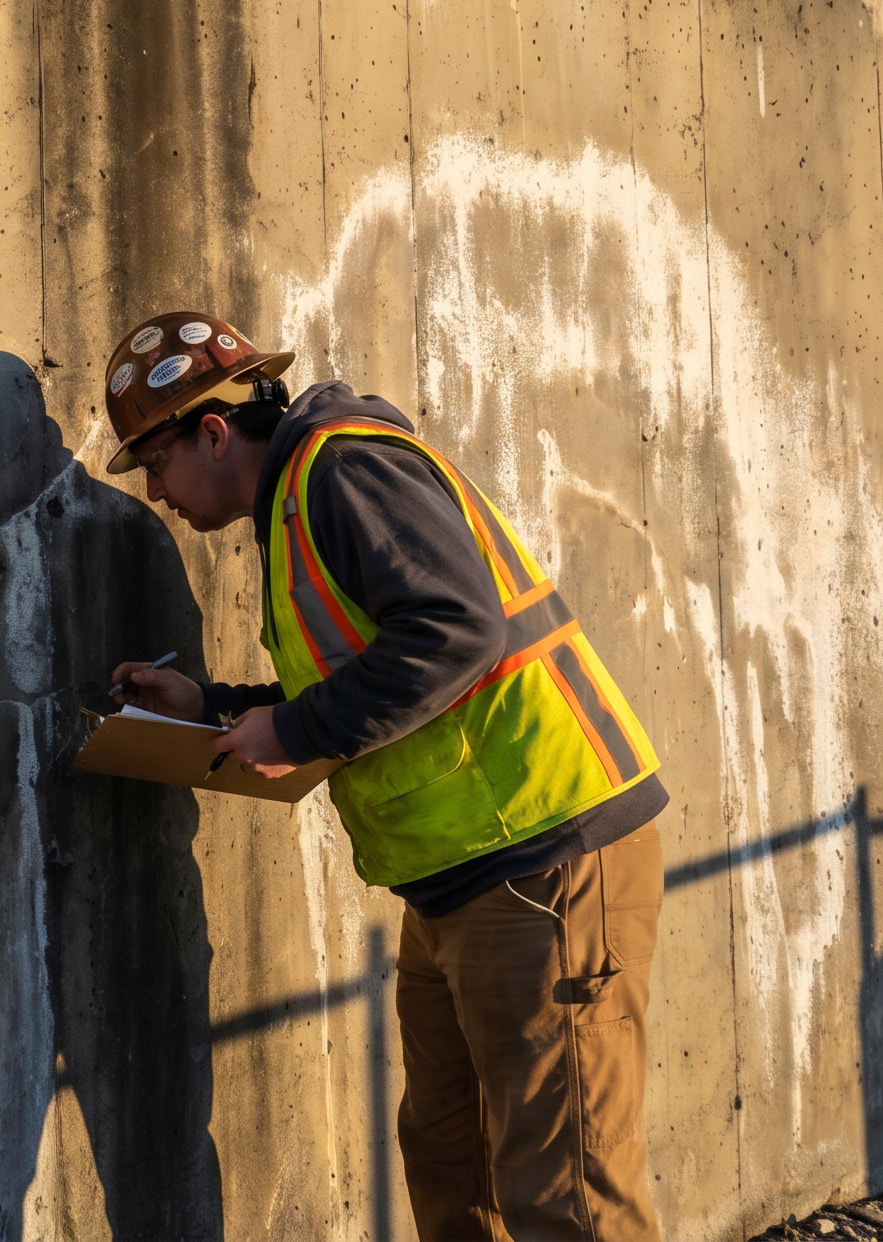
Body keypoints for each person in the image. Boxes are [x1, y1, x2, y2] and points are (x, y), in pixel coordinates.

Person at [101, 310, 668, 1242]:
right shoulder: (293, 507)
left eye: (154, 462)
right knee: (454, 1164)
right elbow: (356, 676)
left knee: (569, 1195)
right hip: (461, 878)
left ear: (211, 431)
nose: (155, 491)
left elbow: (454, 632)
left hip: (545, 862)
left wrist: (296, 725)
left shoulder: (341, 470)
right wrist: (206, 706)